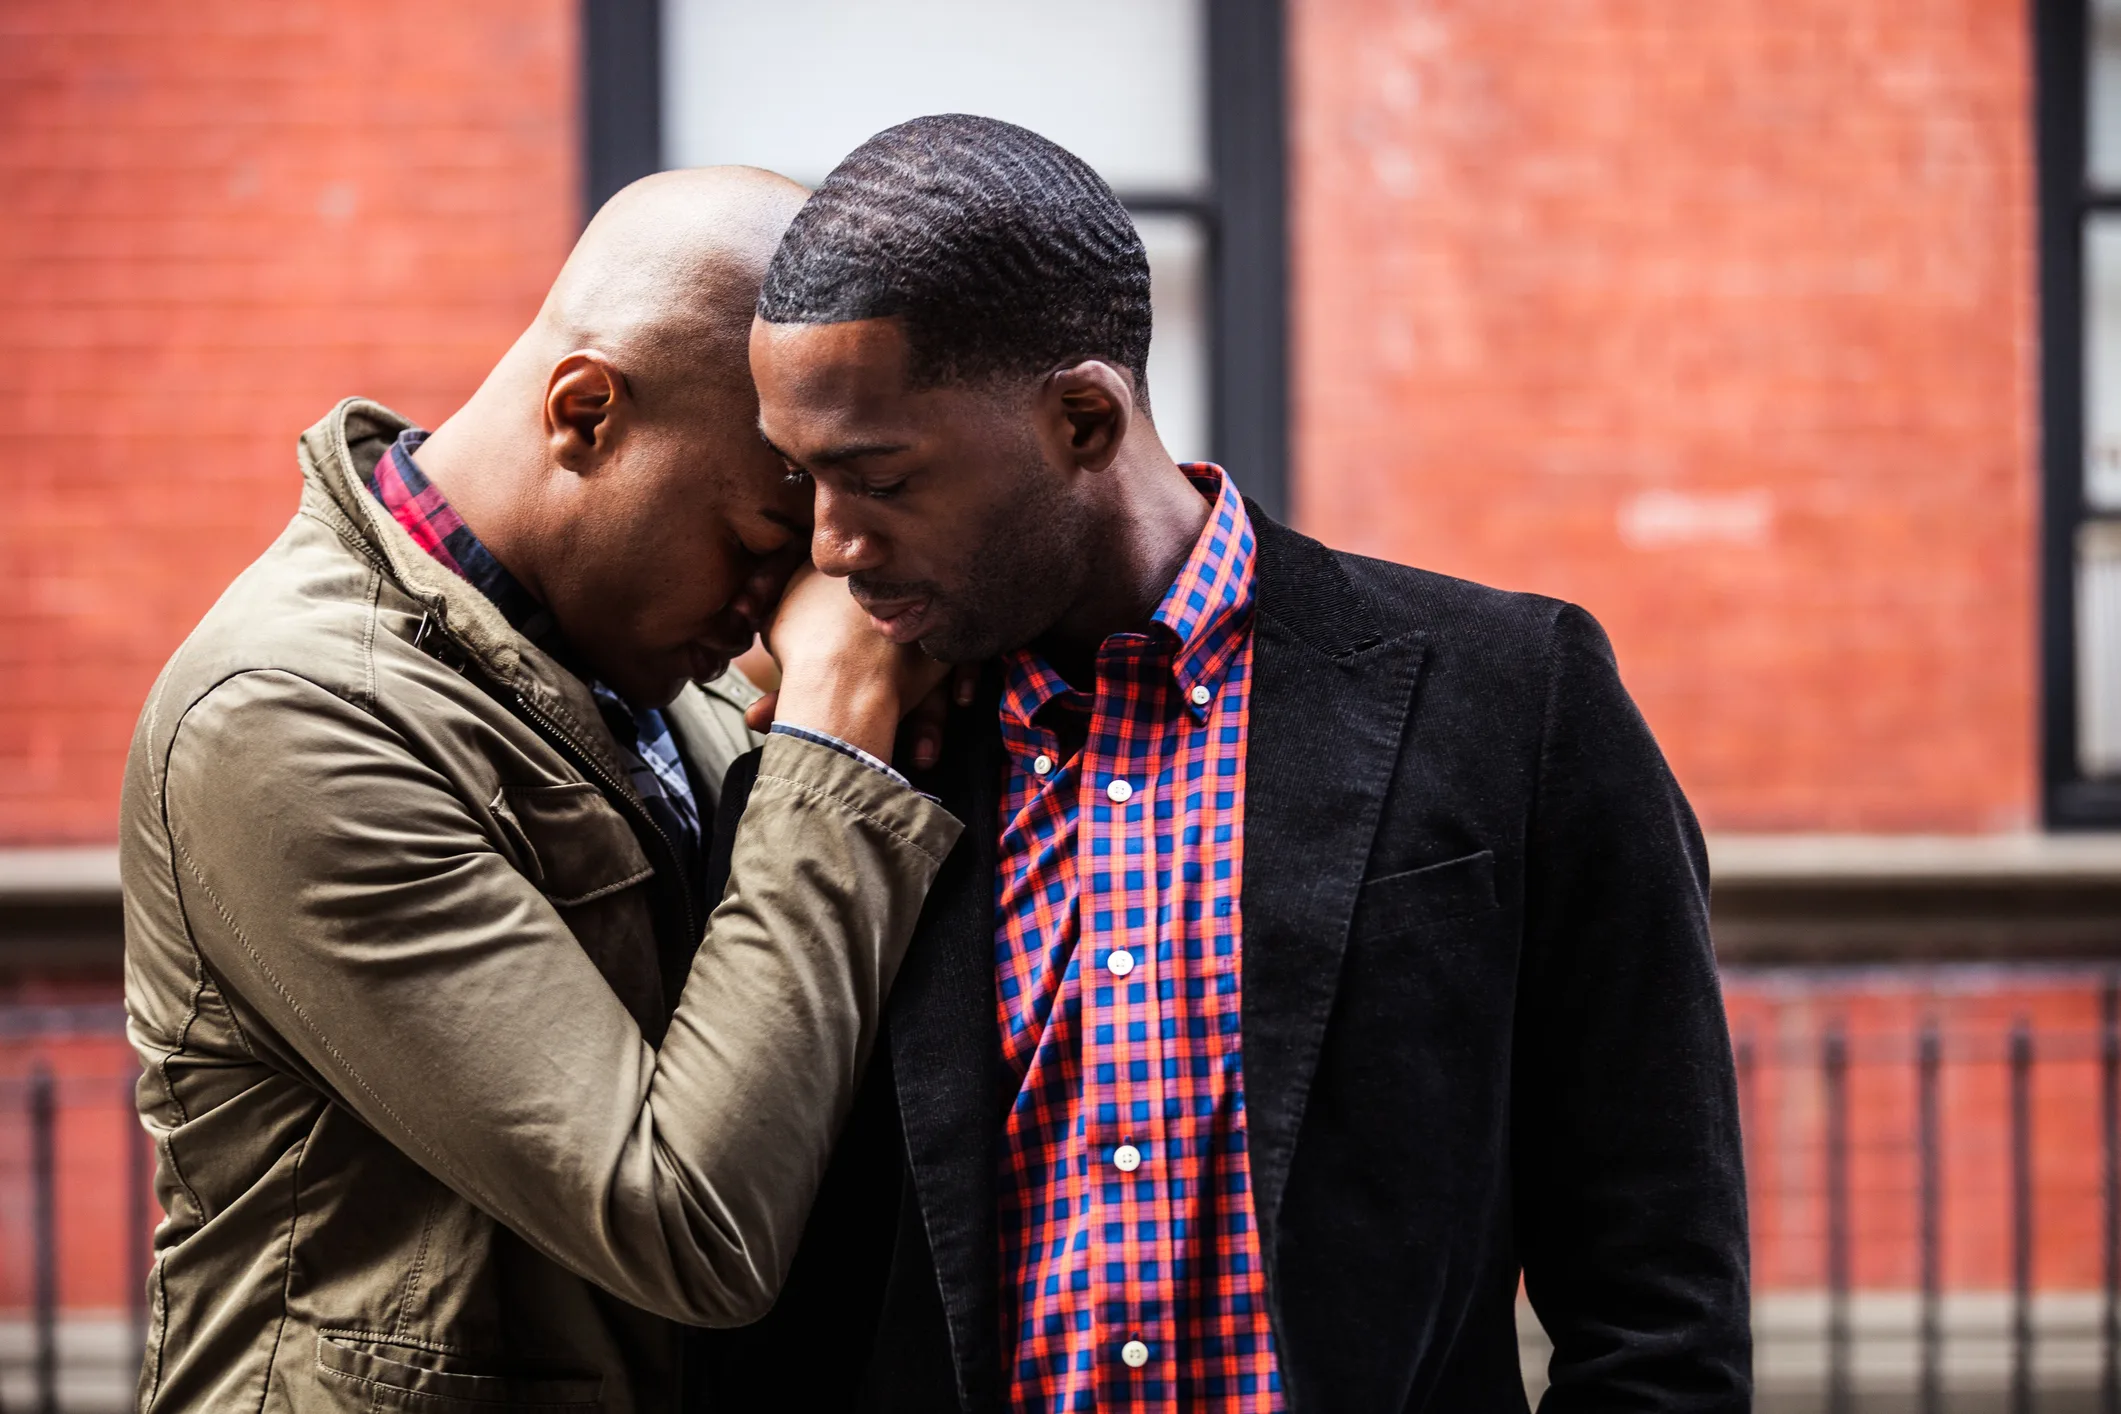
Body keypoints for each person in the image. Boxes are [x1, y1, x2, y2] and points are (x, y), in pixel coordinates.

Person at [705, 116, 1751, 1412]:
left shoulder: (1514, 699)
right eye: (802, 477)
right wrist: (825, 721)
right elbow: (755, 1325)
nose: (832, 544)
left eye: (878, 479)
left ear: (1083, 419)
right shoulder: (837, 776)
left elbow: (1659, 1314)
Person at [118, 166, 963, 1413]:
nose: (779, 612)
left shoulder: (650, 662)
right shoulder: (286, 715)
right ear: (586, 413)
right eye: (759, 544)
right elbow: (691, 1221)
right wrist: (835, 742)